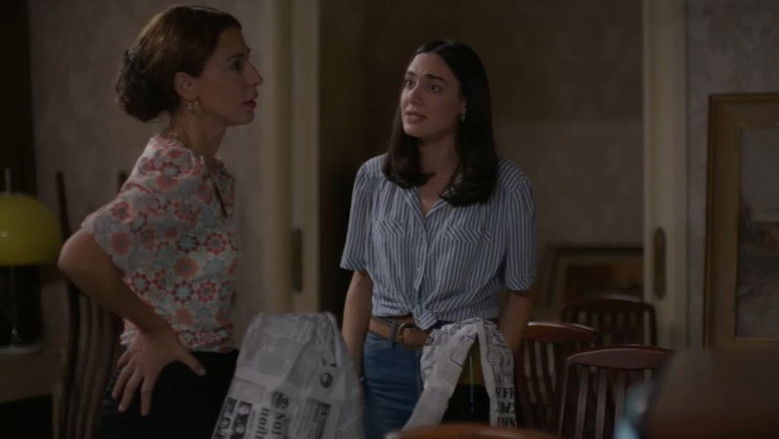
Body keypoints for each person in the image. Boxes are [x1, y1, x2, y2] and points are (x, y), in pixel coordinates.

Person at [57, 5, 262, 438]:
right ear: (187, 86)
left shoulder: (210, 172)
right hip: (165, 396)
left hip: (196, 380)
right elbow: (79, 256)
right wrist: (155, 330)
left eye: (249, 61)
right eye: (236, 65)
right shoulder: (176, 172)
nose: (255, 77)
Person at [339, 40, 535, 438]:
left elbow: (521, 293)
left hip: (464, 365)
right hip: (384, 362)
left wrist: (494, 368)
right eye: (409, 83)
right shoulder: (373, 178)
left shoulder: (508, 186)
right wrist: (347, 369)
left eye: (433, 86)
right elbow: (362, 280)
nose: (413, 97)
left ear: (465, 104)